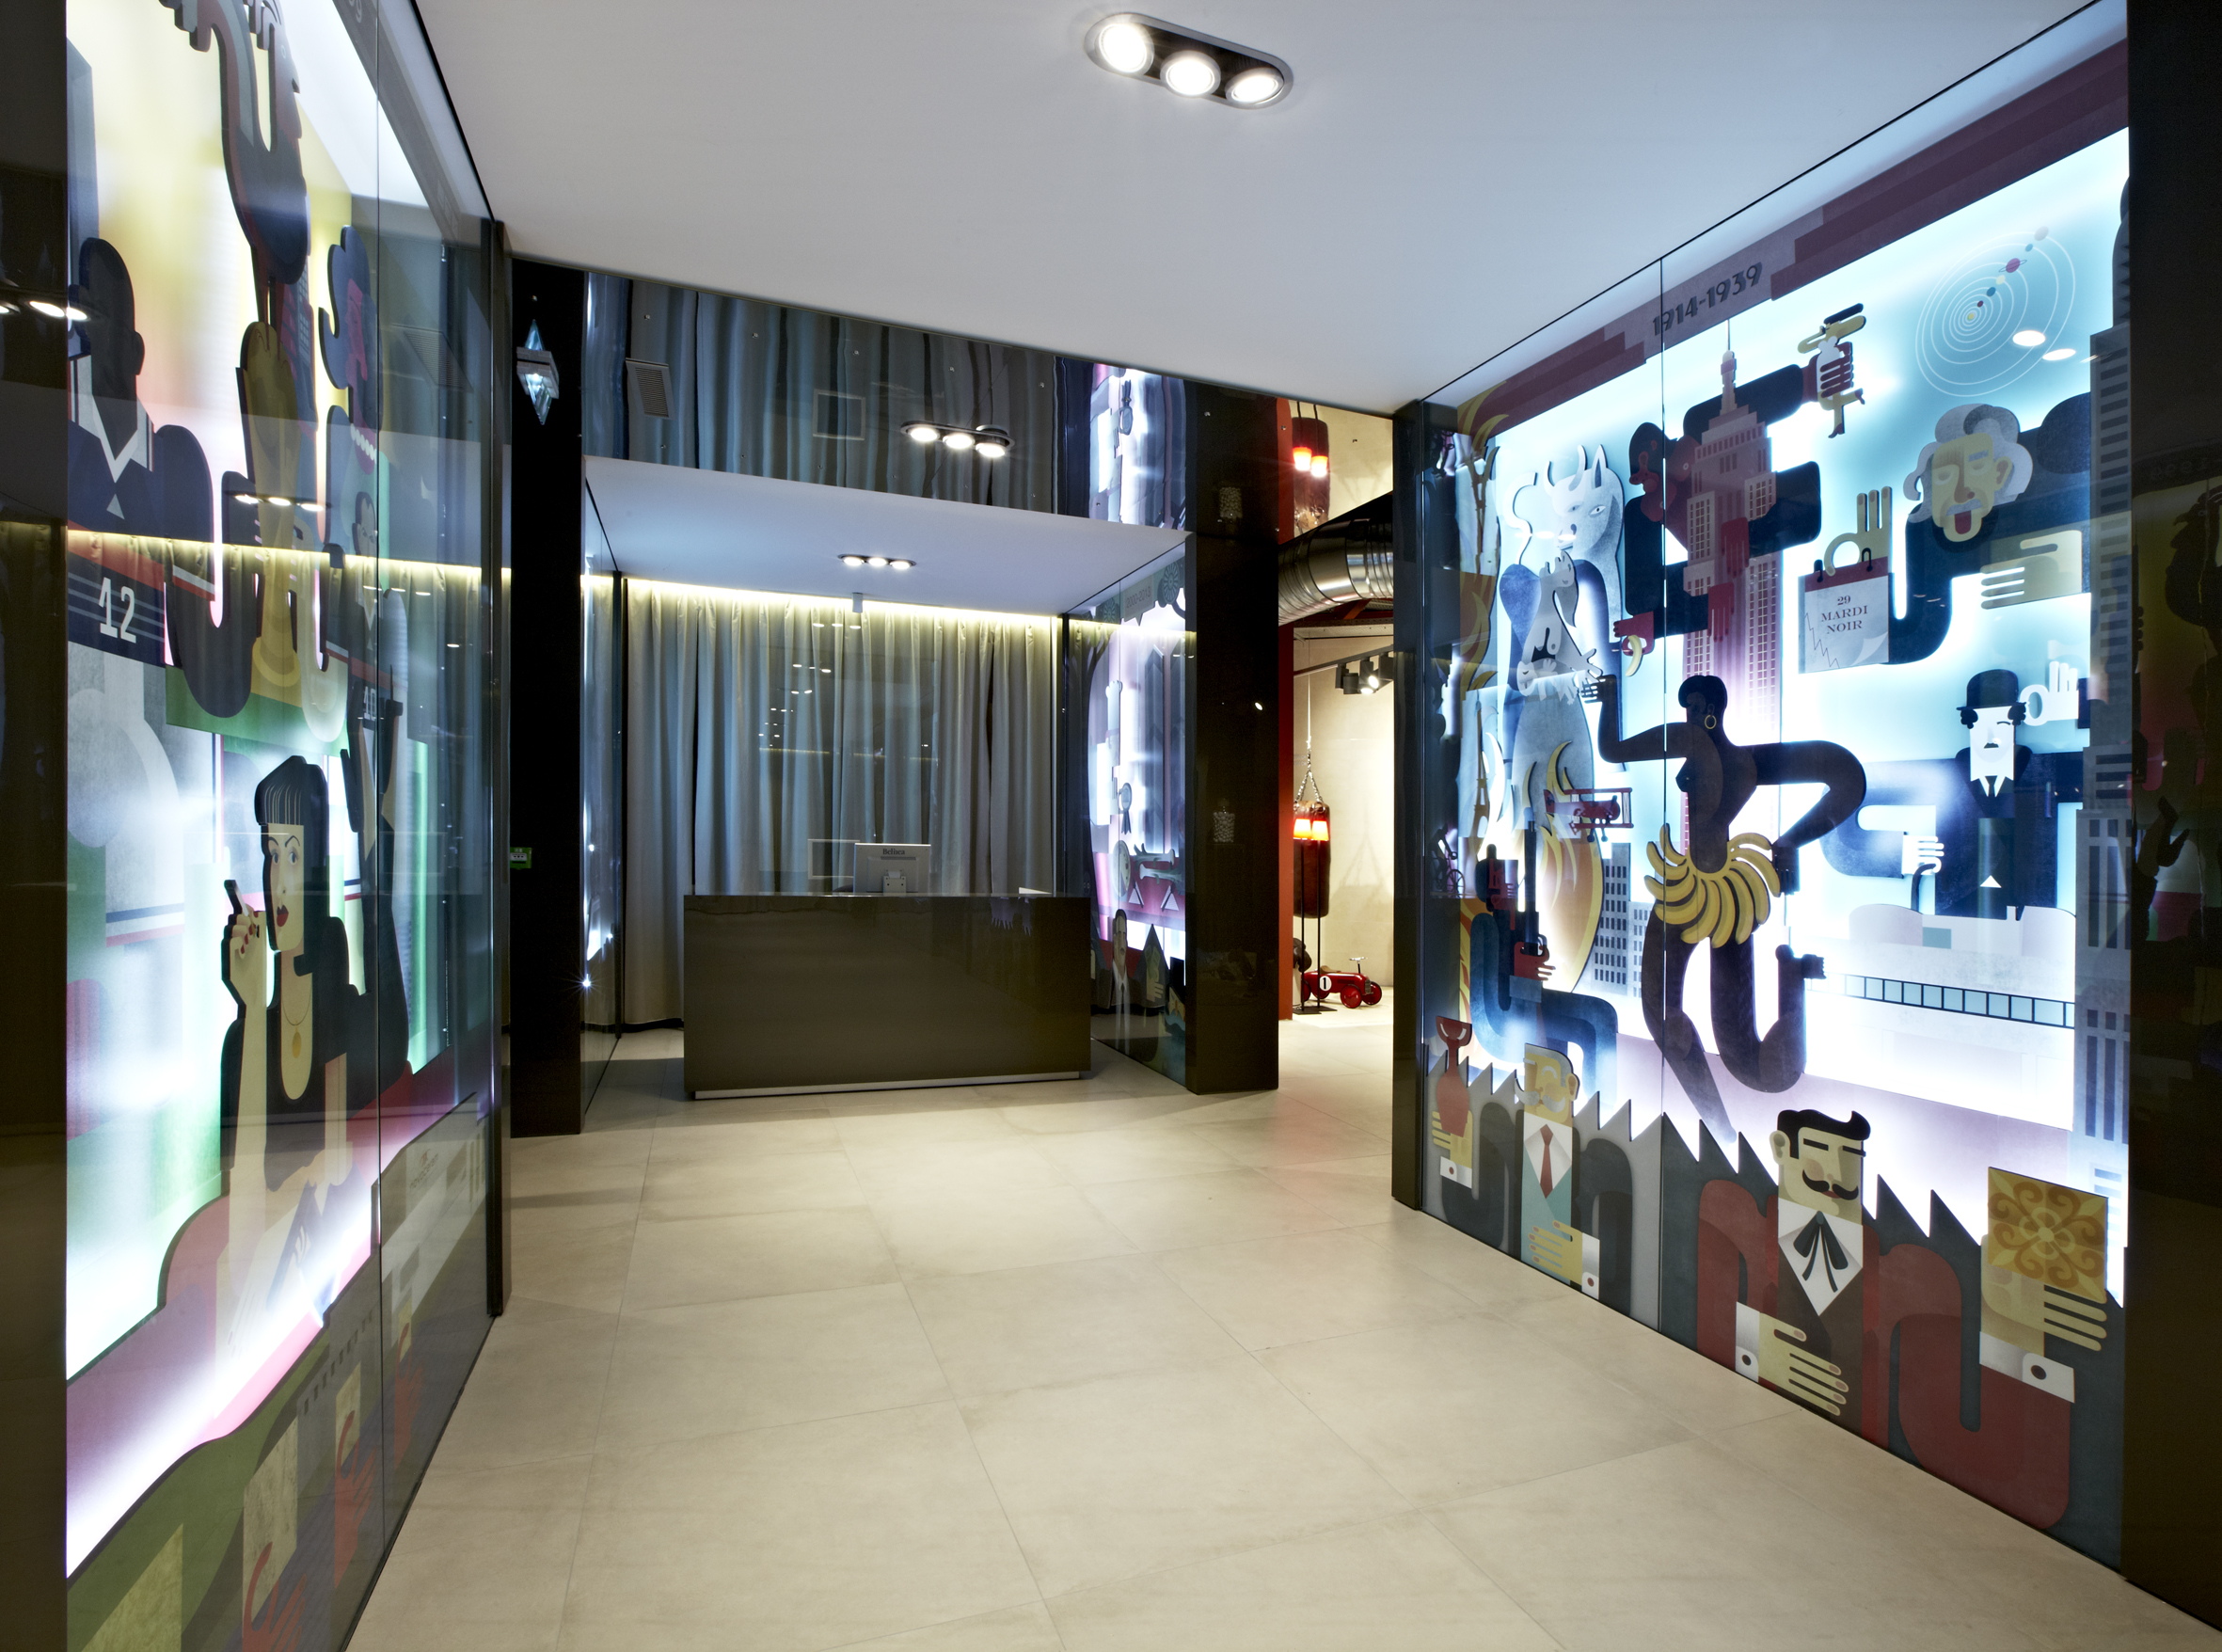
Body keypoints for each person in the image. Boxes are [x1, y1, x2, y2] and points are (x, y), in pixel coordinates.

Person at [1590, 672, 1865, 1137]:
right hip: (1692, 889)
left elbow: (1846, 777)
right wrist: (1610, 696)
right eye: (1688, 710)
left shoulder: (1726, 753)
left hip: (1725, 896)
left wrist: (1790, 841)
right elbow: (1613, 751)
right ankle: (1718, 1128)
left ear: (1713, 712)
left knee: (1745, 1058)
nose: (1692, 717)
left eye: (1697, 709)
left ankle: (1789, 985)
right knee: (1663, 1018)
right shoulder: (1713, 749)